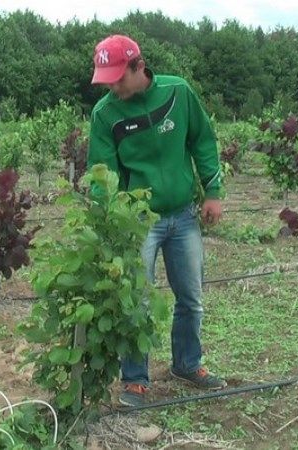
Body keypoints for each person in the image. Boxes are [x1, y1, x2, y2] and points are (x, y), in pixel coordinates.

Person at [86, 34, 226, 407]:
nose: (113, 87)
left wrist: (213, 191)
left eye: (118, 77)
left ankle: (187, 364)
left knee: (191, 298)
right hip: (138, 223)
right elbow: (102, 175)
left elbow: (203, 141)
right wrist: (108, 225)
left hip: (183, 214)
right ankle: (134, 380)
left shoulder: (178, 93)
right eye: (107, 80)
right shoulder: (105, 114)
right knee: (136, 301)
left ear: (138, 66)